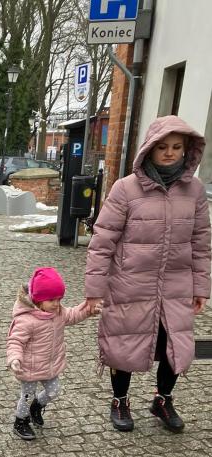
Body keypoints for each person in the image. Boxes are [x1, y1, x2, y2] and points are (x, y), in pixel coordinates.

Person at [85, 115, 211, 433]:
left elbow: (201, 242)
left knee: (176, 345)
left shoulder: (195, 191)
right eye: (162, 147)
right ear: (150, 149)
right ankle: (120, 400)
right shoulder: (125, 189)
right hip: (130, 284)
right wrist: (95, 290)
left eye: (177, 147)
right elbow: (102, 241)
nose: (170, 153)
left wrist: (201, 286)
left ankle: (163, 400)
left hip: (177, 285)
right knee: (124, 343)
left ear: (187, 150)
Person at [6, 267, 92, 441]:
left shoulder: (58, 312)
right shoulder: (26, 320)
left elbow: (73, 315)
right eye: (51, 300)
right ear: (38, 299)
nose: (56, 304)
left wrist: (88, 310)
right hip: (29, 368)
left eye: (59, 299)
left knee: (54, 391)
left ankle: (36, 407)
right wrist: (15, 358)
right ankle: (20, 421)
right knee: (27, 396)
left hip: (49, 365)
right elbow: (15, 341)